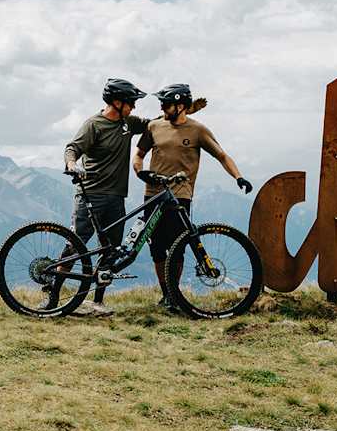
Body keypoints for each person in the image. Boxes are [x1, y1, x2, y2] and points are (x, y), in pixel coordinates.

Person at [62, 78, 205, 315]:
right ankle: (53, 294)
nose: (134, 107)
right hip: (92, 193)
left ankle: (98, 302)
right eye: (131, 102)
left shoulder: (128, 122)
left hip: (117, 196)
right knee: (76, 244)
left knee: (110, 250)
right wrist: (71, 164)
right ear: (117, 103)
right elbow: (73, 148)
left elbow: (157, 123)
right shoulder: (93, 125)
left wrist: (185, 110)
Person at [131, 83, 252, 312]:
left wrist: (239, 177)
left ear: (180, 106)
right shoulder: (154, 126)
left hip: (180, 196)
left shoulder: (198, 130)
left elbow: (222, 156)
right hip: (153, 194)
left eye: (166, 104)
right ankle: (167, 294)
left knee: (177, 248)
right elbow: (139, 155)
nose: (162, 107)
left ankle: (174, 294)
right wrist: (140, 171)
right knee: (157, 248)